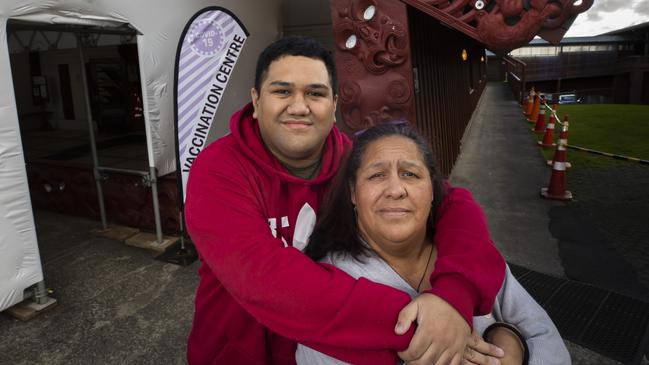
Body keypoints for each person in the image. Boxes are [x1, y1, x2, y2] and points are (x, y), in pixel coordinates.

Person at [185, 36, 505, 365]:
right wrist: (424, 328)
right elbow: (264, 279)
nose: (299, 106)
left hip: (326, 352)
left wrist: (453, 299)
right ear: (255, 100)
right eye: (282, 91)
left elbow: (451, 203)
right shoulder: (218, 170)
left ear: (334, 103)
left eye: (315, 93)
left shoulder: (355, 162)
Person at [299, 122, 570, 365]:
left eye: (410, 174)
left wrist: (513, 347)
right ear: (353, 194)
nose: (395, 189)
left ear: (433, 190)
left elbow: (546, 338)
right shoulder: (330, 284)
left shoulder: (467, 253)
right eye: (376, 175)